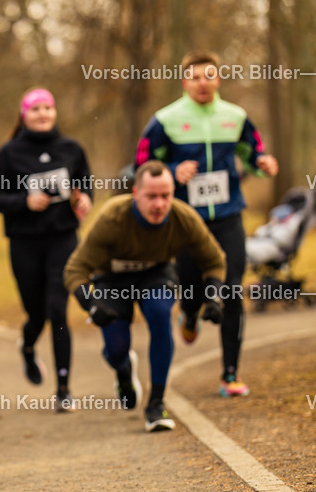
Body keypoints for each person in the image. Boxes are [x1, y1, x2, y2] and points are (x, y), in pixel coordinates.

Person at [136, 51, 279, 397]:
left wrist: (264, 164)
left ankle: (230, 373)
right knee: (190, 285)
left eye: (210, 75)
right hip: (185, 218)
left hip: (228, 215)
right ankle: (188, 313)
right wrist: (171, 171)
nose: (203, 82)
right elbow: (140, 166)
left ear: (218, 79)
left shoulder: (235, 117)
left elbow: (252, 153)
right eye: (196, 77)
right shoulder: (165, 120)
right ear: (185, 82)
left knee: (231, 289)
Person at [63, 161, 226, 431]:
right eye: (151, 196)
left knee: (161, 315)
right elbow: (75, 270)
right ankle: (124, 370)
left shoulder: (183, 217)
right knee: (115, 349)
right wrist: (90, 305)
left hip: (155, 273)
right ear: (135, 193)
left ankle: (156, 404)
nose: (159, 204)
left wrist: (214, 297)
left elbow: (214, 260)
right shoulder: (113, 217)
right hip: (112, 277)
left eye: (166, 196)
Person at [0, 88, 93, 411]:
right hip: (25, 243)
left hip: (63, 238)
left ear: (55, 112)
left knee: (58, 309)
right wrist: (24, 201)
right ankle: (28, 347)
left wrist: (85, 197)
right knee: (37, 313)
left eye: (48, 108)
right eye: (36, 109)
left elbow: (84, 181)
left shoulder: (71, 148)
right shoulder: (10, 153)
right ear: (24, 115)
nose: (43, 114)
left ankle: (63, 389)